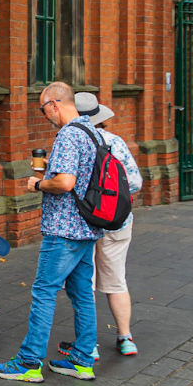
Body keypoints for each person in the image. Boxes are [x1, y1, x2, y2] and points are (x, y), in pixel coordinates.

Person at [0, 82, 103, 383]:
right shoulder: (92, 133)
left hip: (63, 230)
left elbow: (66, 183)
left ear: (54, 103)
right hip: (87, 227)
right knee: (82, 294)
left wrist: (38, 184)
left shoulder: (68, 134)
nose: (44, 116)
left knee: (43, 292)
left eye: (43, 109)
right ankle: (82, 359)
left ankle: (29, 361)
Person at [62, 94, 143, 360]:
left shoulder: (73, 141)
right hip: (117, 222)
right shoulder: (115, 142)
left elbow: (65, 184)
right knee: (116, 281)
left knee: (85, 284)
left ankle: (89, 345)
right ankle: (125, 337)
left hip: (84, 222)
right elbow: (135, 183)